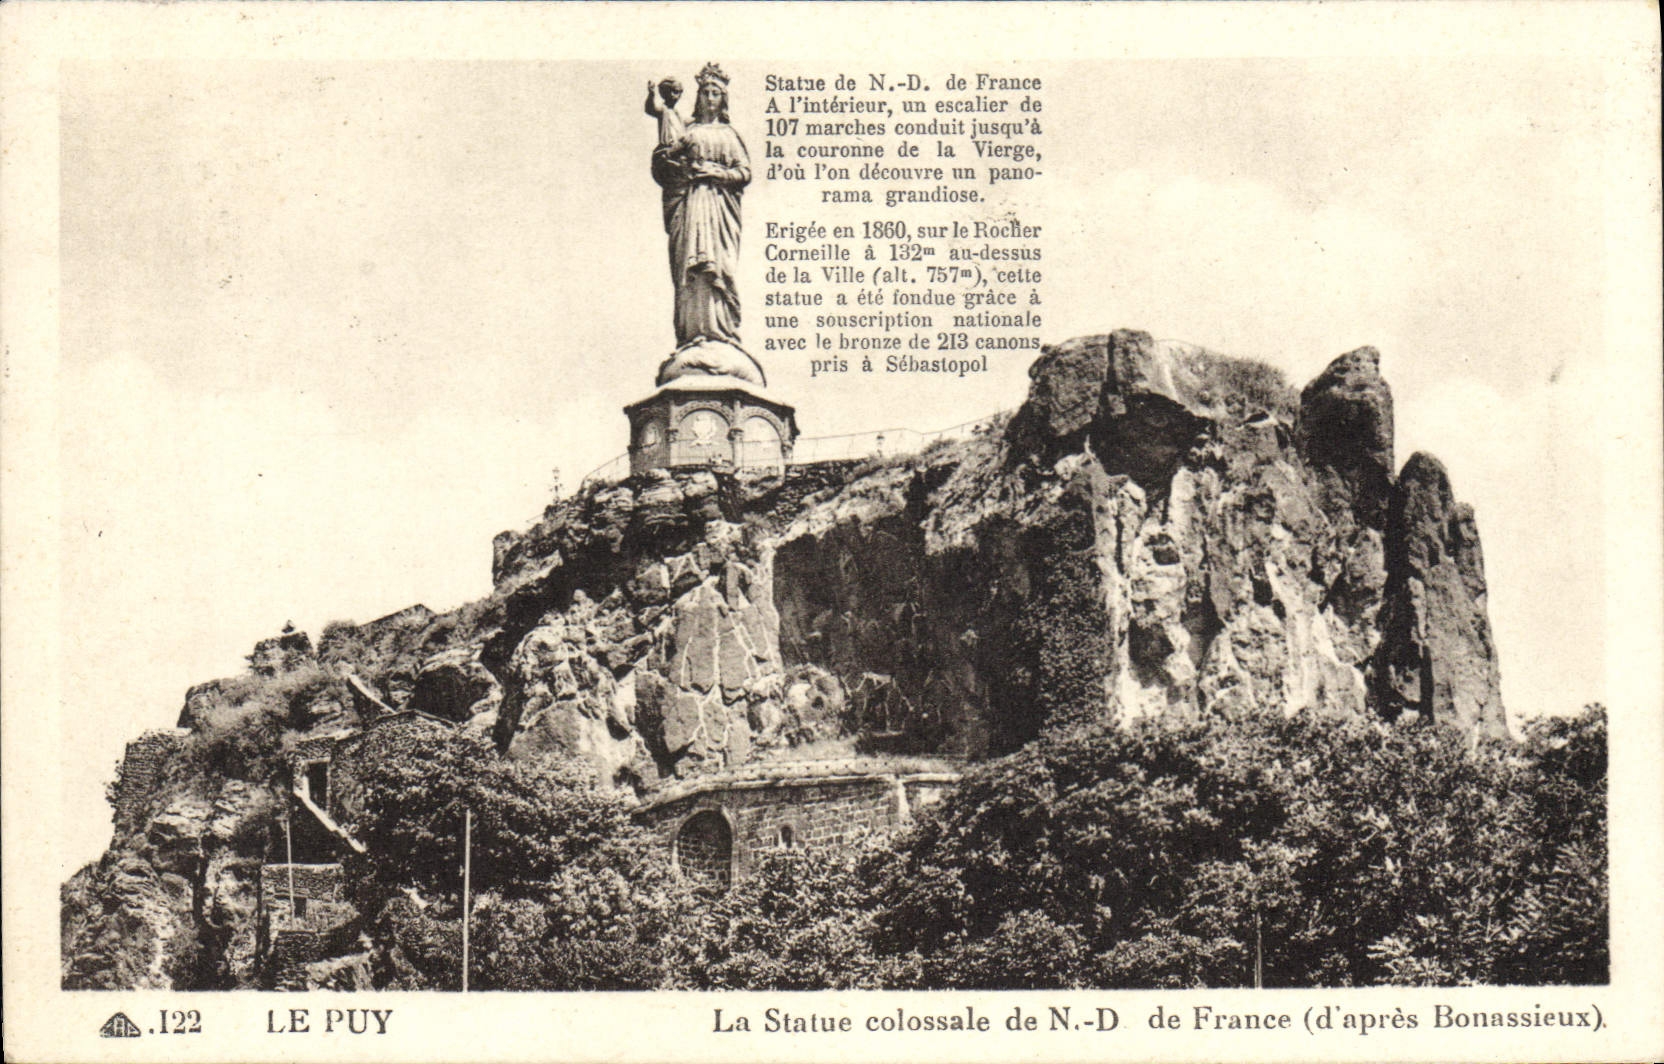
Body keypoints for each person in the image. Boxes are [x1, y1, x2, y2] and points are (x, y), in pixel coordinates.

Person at [650, 63, 765, 386]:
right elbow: (668, 157)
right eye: (705, 92)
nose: (710, 98)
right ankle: (693, 335)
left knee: (719, 269)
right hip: (689, 208)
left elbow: (744, 172)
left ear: (723, 99)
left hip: (718, 210)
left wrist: (715, 174)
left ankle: (722, 332)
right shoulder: (685, 130)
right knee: (691, 272)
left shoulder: (729, 135)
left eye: (716, 93)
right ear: (698, 97)